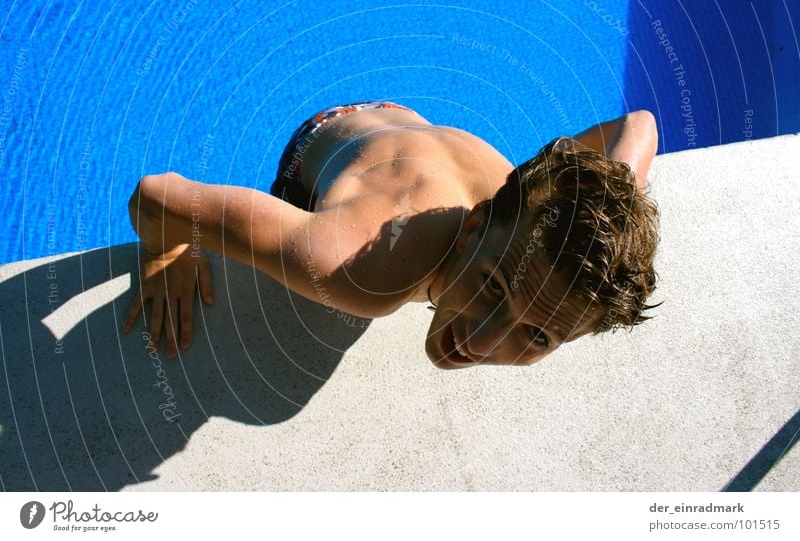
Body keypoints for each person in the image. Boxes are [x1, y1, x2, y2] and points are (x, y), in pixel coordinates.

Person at [122, 101, 660, 370]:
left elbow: (639, 125)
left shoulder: (529, 215)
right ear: (472, 224)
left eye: (538, 337)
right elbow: (157, 196)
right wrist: (167, 249)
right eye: (494, 286)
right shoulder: (354, 269)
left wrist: (613, 193)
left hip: (409, 124)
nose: (482, 343)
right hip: (331, 137)